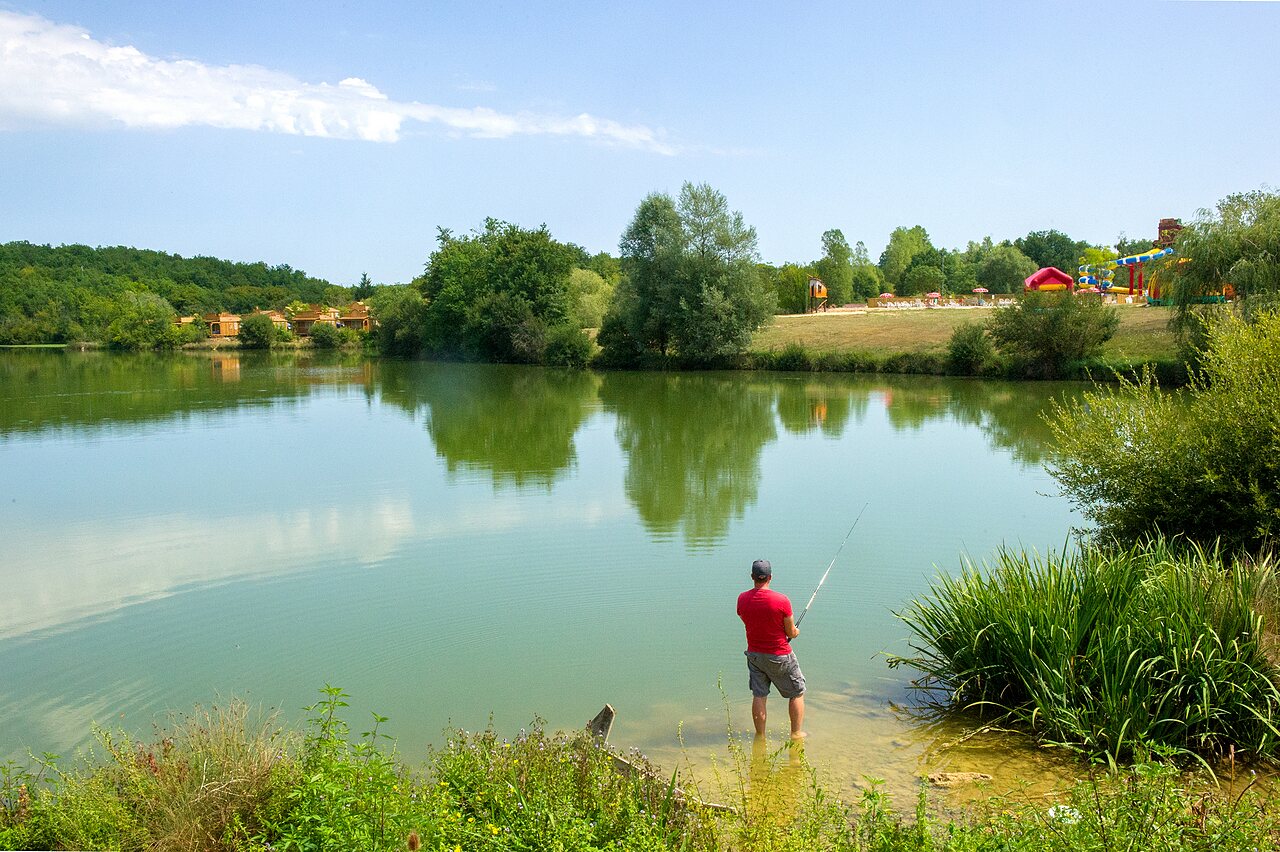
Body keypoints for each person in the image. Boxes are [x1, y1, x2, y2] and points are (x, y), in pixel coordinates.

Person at [736, 559, 806, 740]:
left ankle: (760, 736)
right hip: (780, 654)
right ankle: (796, 734)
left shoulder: (742, 599)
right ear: (770, 577)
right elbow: (791, 631)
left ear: (752, 577)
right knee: (797, 692)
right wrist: (795, 632)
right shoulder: (782, 600)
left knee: (759, 695)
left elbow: (748, 620)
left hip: (754, 656)